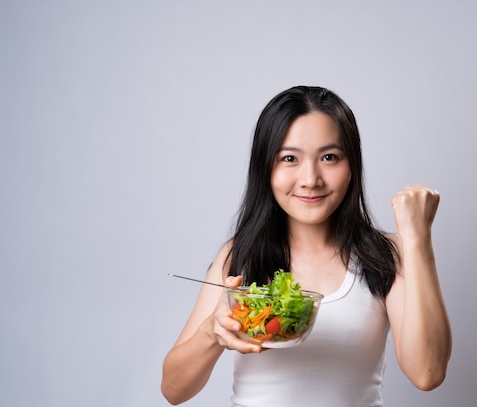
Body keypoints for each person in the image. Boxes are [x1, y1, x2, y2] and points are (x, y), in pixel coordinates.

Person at [161, 86, 452, 406]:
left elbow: (427, 372)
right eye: (289, 158)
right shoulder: (239, 255)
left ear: (351, 165)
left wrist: (417, 238)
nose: (311, 178)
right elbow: (174, 390)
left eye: (329, 157)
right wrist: (211, 333)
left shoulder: (384, 256)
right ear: (265, 169)